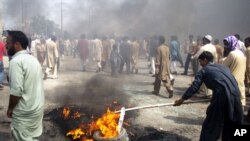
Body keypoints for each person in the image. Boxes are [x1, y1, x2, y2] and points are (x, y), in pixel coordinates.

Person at [174, 51, 243, 141]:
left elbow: (194, 87)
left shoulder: (204, 70)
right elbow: (226, 82)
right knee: (233, 124)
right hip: (236, 95)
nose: (201, 64)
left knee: (211, 125)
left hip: (221, 98)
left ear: (205, 60)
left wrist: (182, 99)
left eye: (201, 62)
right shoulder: (223, 67)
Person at [6, 30, 44, 140]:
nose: (6, 45)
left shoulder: (16, 61)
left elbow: (16, 91)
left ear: (16, 44)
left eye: (8, 43)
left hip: (25, 111)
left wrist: (10, 109)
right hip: (37, 109)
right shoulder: (33, 60)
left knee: (22, 137)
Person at [223, 35, 246, 109]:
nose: (225, 46)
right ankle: (240, 115)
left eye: (226, 44)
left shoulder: (232, 54)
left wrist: (224, 55)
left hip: (232, 79)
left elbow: (223, 66)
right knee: (240, 97)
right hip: (240, 78)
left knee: (231, 98)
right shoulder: (241, 53)